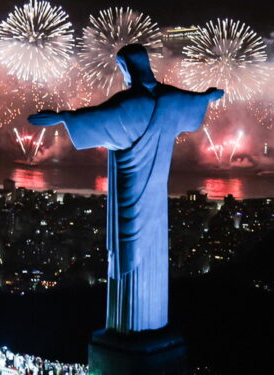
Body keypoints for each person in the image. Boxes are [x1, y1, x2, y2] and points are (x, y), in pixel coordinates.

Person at [28, 44, 223, 333]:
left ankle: (130, 330)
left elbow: (96, 119)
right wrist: (209, 96)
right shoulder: (171, 99)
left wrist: (63, 117)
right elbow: (195, 101)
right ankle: (152, 324)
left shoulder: (131, 104)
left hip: (130, 191)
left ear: (125, 68)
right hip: (158, 199)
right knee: (152, 252)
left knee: (128, 253)